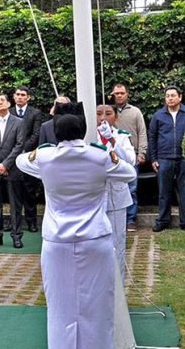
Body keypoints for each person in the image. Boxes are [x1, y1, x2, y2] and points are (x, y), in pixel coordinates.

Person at [16, 102, 136, 349]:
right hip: (95, 240)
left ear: (56, 135)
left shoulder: (45, 157)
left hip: (57, 242)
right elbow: (128, 173)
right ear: (83, 132)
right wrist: (108, 150)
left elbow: (20, 161)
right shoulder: (100, 156)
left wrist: (44, 149)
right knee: (98, 306)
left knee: (60, 307)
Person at [0, 92, 26, 249]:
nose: (0, 103)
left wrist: (6, 164)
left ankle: (16, 236)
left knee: (15, 204)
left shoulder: (19, 122)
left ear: (9, 104)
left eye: (2, 100)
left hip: (12, 169)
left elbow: (19, 145)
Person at [96, 104, 135, 276]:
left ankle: (118, 284)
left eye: (108, 113)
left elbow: (130, 161)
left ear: (116, 117)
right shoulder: (87, 135)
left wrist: (112, 140)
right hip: (94, 197)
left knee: (117, 241)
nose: (103, 117)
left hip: (117, 196)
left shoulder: (122, 137)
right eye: (98, 114)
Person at [111, 83, 148, 232]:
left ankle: (131, 220)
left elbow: (142, 133)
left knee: (131, 188)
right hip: (113, 157)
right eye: (116, 93)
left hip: (131, 155)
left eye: (122, 93)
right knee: (115, 188)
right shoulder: (109, 111)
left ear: (127, 94)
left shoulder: (135, 112)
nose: (119, 95)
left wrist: (142, 153)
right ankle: (116, 219)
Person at [148, 86, 185, 232]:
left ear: (180, 97)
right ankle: (163, 220)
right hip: (164, 158)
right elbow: (152, 137)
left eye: (173, 95)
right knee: (164, 192)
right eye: (167, 96)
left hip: (183, 158)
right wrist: (153, 158)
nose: (170, 98)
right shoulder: (158, 116)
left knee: (184, 191)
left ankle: (184, 221)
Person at [10, 86, 44, 233]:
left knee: (30, 191)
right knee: (14, 191)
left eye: (23, 95)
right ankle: (14, 222)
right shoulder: (9, 112)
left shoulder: (35, 113)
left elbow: (36, 134)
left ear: (28, 97)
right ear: (14, 96)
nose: (20, 97)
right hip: (12, 157)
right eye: (17, 94)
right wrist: (15, 151)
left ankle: (31, 221)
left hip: (29, 156)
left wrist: (23, 149)